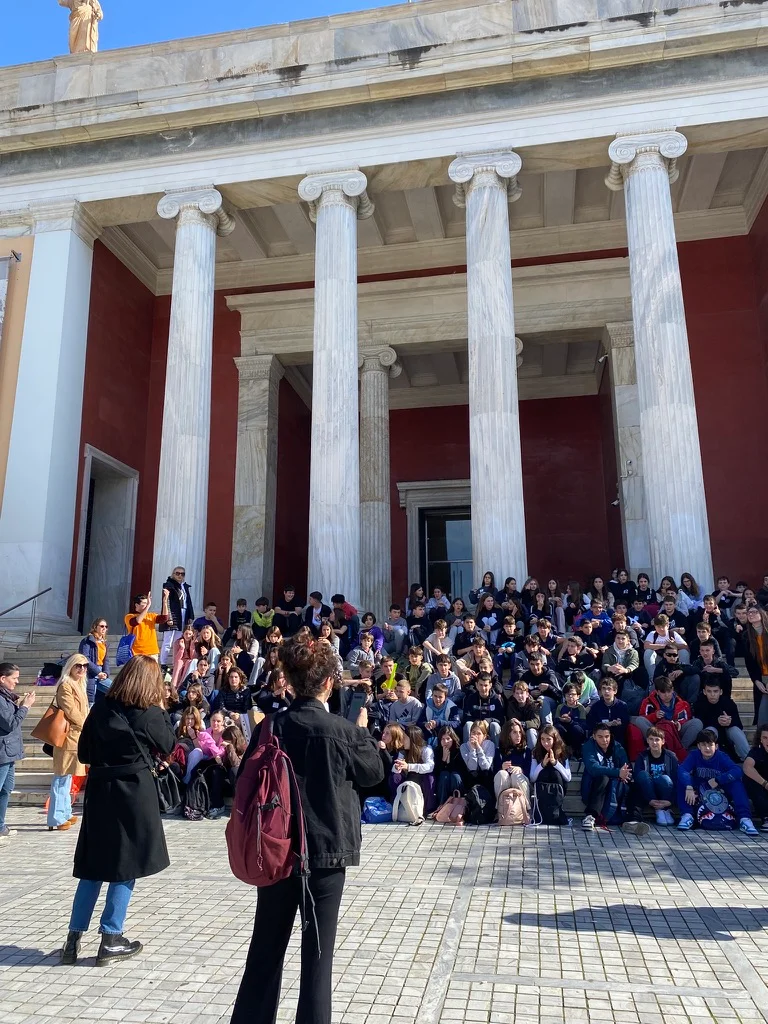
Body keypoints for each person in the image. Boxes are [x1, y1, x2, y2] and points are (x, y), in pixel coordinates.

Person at [60, 656, 176, 965]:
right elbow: (168, 744)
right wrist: (163, 710)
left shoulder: (100, 709)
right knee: (126, 865)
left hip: (100, 792)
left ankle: (72, 940)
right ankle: (110, 937)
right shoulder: (150, 713)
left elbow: (84, 752)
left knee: (94, 865)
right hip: (134, 793)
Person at [677, 728, 758, 835]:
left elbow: (737, 770)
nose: (707, 748)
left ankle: (745, 819)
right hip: (701, 790)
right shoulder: (694, 755)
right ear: (698, 746)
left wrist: (718, 780)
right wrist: (689, 786)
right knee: (682, 781)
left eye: (710, 745)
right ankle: (687, 815)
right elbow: (682, 769)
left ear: (716, 746)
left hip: (720, 790)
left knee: (736, 783)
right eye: (703, 745)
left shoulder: (721, 756)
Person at [47, 654, 90, 832]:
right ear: (71, 667)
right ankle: (56, 816)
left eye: (85, 666)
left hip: (76, 737)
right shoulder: (66, 685)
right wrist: (87, 725)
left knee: (68, 776)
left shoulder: (79, 684)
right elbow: (71, 711)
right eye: (78, 666)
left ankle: (64, 811)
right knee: (61, 776)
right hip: (67, 736)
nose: (82, 669)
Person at [581, 724, 642, 833]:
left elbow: (626, 766)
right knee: (603, 778)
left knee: (635, 783)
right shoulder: (588, 747)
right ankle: (590, 817)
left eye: (607, 736)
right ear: (594, 737)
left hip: (616, 787)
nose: (604, 740)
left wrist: (625, 775)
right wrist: (617, 772)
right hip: (594, 788)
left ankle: (634, 820)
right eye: (600, 737)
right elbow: (593, 769)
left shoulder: (617, 747)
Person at [0, 662, 36, 839]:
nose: (16, 682)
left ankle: (0, 826)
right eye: (14, 678)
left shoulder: (7, 696)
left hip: (10, 751)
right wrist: (25, 706)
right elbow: (11, 723)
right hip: (2, 751)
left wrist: (19, 704)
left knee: (7, 789)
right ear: (3, 678)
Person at [692, 680, 750, 761]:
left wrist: (729, 722)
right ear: (704, 692)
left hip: (727, 734)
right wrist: (717, 722)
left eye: (715, 691)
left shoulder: (729, 703)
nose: (712, 695)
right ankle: (707, 761)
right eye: (709, 691)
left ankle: (750, 760)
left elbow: (739, 725)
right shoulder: (699, 704)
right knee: (710, 731)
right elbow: (700, 727)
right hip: (710, 736)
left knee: (735, 730)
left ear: (721, 692)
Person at [631, 726, 678, 825]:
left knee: (665, 778)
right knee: (643, 774)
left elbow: (676, 778)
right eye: (651, 739)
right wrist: (650, 799)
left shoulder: (671, 756)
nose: (654, 742)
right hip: (648, 791)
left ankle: (665, 809)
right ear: (647, 740)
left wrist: (670, 801)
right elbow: (637, 777)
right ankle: (658, 810)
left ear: (663, 741)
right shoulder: (642, 756)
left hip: (665, 790)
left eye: (657, 739)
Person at [530, 725, 572, 826]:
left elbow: (568, 777)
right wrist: (542, 765)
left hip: (557, 788)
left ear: (554, 739)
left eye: (548, 739)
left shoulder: (563, 751)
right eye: (542, 739)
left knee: (555, 773)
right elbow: (532, 777)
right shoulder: (536, 752)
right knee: (544, 772)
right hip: (542, 788)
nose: (545, 743)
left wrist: (555, 763)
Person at [159, 567, 195, 667]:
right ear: (173, 574)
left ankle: (176, 662)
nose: (180, 576)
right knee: (168, 640)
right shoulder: (168, 585)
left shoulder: (184, 586)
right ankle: (163, 663)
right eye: (177, 573)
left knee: (178, 640)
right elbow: (167, 602)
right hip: (174, 614)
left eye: (182, 574)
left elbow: (189, 602)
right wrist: (168, 617)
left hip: (183, 614)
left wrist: (190, 615)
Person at [124, 590, 171, 660]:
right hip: (137, 652)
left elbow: (164, 618)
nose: (147, 604)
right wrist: (148, 606)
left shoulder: (151, 616)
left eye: (147, 603)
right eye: (144, 603)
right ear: (137, 605)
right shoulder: (129, 616)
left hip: (152, 651)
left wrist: (164, 602)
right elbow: (137, 621)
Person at [494, 719, 532, 805]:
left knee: (516, 776)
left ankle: (526, 811)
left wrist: (520, 770)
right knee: (501, 774)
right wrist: (501, 767)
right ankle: (501, 810)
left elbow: (530, 773)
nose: (518, 735)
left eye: (519, 732)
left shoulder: (526, 751)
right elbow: (494, 772)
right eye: (514, 732)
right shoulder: (499, 751)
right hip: (505, 782)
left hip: (520, 781)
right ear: (508, 734)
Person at [462, 673, 504, 744]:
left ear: (490, 685)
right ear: (476, 685)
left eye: (486, 685)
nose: (483, 688)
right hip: (475, 726)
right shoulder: (471, 698)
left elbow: (501, 719)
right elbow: (466, 716)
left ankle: (497, 751)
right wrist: (479, 724)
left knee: (495, 725)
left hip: (489, 727)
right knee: (468, 724)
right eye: (480, 685)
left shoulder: (496, 699)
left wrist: (488, 721)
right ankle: (468, 750)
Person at [586, 677, 630, 745]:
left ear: (615, 691)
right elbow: (591, 725)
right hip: (600, 738)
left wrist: (619, 724)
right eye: (604, 688)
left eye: (609, 688)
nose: (606, 691)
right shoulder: (596, 706)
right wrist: (605, 725)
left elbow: (626, 724)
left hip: (617, 738)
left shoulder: (622, 706)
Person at [418, 682, 462, 746]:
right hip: (431, 733)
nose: (437, 699)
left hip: (446, 735)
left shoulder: (451, 706)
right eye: (435, 696)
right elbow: (419, 722)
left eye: (440, 697)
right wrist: (425, 724)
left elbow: (456, 724)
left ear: (445, 697)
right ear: (432, 695)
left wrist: (439, 723)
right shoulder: (428, 705)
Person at [433, 726, 469, 805]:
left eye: (448, 739)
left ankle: (457, 804)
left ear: (453, 739)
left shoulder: (459, 750)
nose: (445, 741)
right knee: (444, 775)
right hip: (443, 782)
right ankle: (442, 805)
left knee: (455, 776)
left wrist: (449, 761)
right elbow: (436, 771)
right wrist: (443, 759)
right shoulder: (437, 751)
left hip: (456, 780)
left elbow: (460, 770)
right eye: (443, 739)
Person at [742, 724, 768, 831]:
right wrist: (765, 784)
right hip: (761, 787)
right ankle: (766, 817)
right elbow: (747, 766)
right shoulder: (756, 752)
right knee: (750, 780)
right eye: (765, 738)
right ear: (760, 739)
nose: (767, 741)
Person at [79, 617, 111, 704]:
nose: (104, 628)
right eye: (102, 626)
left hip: (101, 673)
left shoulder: (104, 643)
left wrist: (106, 673)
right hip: (90, 672)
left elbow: (106, 660)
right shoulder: (87, 641)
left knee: (115, 690)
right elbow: (85, 658)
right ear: (95, 627)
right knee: (90, 700)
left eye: (106, 626)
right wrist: (97, 672)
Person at [460, 720, 497, 792]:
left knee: (486, 774)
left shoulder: (490, 744)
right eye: (473, 733)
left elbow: (485, 766)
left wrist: (479, 748)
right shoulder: (464, 746)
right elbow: (472, 767)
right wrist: (473, 749)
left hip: (486, 776)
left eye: (479, 734)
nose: (475, 736)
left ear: (484, 736)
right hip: (471, 777)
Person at [553, 682, 588, 756]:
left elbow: (583, 725)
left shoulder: (581, 708)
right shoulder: (560, 707)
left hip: (575, 733)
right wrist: (560, 719)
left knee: (576, 729)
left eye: (573, 694)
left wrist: (571, 721)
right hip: (564, 731)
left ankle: (576, 752)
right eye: (568, 694)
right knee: (558, 728)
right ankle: (560, 751)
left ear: (578, 696)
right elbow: (555, 722)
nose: (570, 697)